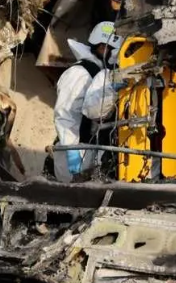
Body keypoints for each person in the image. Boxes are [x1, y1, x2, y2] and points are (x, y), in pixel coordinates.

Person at [52, 21, 126, 182]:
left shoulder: (102, 73)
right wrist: (71, 150)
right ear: (102, 48)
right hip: (76, 154)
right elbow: (65, 115)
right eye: (113, 50)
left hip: (93, 152)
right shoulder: (79, 73)